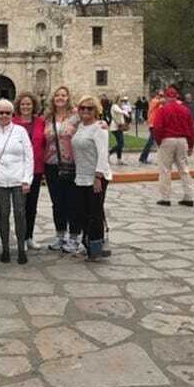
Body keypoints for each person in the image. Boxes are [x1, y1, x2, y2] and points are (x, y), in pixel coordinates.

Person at [0, 99, 33, 264]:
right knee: (3, 215)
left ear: (12, 114)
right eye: (1, 112)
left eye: (8, 112)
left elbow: (29, 156)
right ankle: (5, 248)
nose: (4, 115)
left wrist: (27, 179)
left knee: (20, 213)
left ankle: (21, 248)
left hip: (19, 180)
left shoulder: (20, 131)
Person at [71, 95, 113, 262]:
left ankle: (96, 247)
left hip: (96, 176)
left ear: (97, 110)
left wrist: (98, 176)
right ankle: (87, 243)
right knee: (82, 212)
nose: (85, 111)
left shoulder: (99, 129)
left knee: (94, 213)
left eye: (90, 108)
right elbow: (70, 114)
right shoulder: (80, 126)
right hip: (81, 175)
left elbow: (103, 154)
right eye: (83, 108)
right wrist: (77, 111)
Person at [44, 86, 80, 253]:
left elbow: (90, 126)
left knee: (73, 202)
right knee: (57, 202)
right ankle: (60, 236)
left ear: (68, 97)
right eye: (57, 95)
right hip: (51, 164)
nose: (60, 98)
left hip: (72, 164)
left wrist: (101, 124)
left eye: (63, 95)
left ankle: (73, 238)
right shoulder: (47, 117)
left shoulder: (76, 116)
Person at [12, 92, 46, 250]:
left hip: (36, 169)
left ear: (34, 106)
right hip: (17, 170)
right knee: (20, 207)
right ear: (18, 106)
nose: (25, 107)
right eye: (23, 104)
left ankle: (29, 237)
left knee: (32, 205)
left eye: (28, 104)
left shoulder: (41, 122)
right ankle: (21, 237)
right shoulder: (12, 122)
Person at [154, 87, 194, 207]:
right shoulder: (185, 110)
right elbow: (191, 129)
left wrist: (158, 141)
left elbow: (157, 127)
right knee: (184, 168)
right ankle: (189, 196)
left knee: (165, 169)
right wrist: (191, 145)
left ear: (166, 97)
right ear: (176, 96)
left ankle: (165, 197)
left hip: (167, 139)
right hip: (182, 140)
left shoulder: (163, 110)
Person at [139, 90, 164, 164]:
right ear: (156, 95)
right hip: (153, 124)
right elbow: (161, 102)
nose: (161, 97)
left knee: (155, 142)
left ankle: (143, 157)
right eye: (160, 95)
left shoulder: (159, 103)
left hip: (157, 124)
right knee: (151, 142)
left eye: (162, 95)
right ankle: (143, 157)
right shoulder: (154, 101)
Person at [108, 94, 128, 165]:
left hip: (119, 127)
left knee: (120, 143)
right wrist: (125, 112)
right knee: (121, 144)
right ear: (117, 100)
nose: (122, 102)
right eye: (121, 100)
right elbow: (120, 112)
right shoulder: (114, 106)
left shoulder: (117, 106)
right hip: (115, 128)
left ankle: (119, 159)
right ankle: (109, 153)